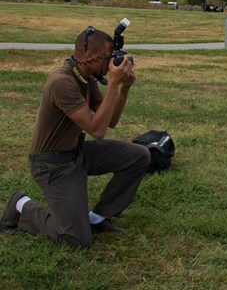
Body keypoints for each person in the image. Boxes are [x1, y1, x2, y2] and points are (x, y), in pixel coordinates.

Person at [0, 27, 150, 248]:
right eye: (109, 58)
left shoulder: (86, 77)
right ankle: (22, 205)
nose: (112, 63)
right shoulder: (62, 82)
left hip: (75, 153)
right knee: (75, 240)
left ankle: (97, 218)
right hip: (52, 164)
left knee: (139, 156)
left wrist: (123, 90)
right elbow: (96, 131)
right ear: (90, 56)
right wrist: (114, 83)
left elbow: (110, 121)